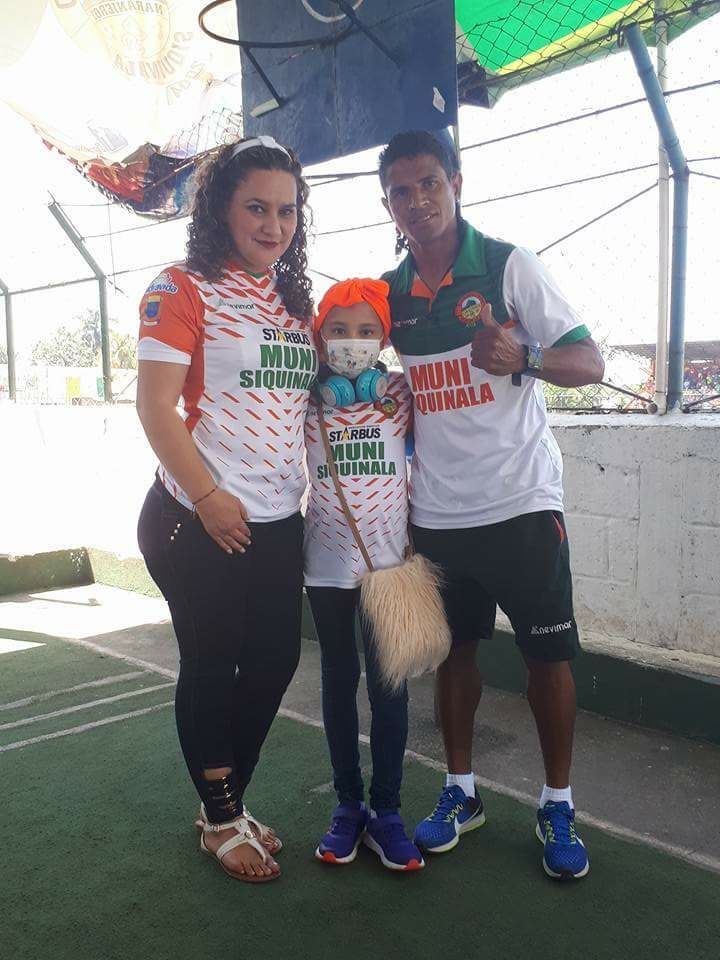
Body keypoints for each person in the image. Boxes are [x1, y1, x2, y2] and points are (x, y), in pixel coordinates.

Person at [378, 130, 605, 880]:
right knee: (455, 656)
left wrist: (526, 357)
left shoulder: (510, 266)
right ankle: (461, 792)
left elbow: (589, 361)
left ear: (457, 182)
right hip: (439, 512)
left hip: (522, 504)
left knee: (548, 657)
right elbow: (379, 379)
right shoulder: (390, 295)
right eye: (401, 190)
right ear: (388, 203)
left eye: (429, 183)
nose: (418, 200)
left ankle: (557, 803)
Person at [136, 136, 318, 884]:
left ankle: (226, 803)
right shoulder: (182, 288)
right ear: (220, 209)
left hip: (278, 518)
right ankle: (219, 819)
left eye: (287, 211)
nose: (274, 226)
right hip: (195, 515)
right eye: (257, 208)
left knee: (275, 662)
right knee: (211, 664)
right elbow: (155, 407)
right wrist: (210, 497)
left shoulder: (295, 302)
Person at [304, 278, 424, 872]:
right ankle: (348, 805)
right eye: (339, 329)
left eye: (366, 330)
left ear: (384, 338)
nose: (352, 341)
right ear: (320, 335)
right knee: (338, 677)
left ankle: (388, 811)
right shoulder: (305, 402)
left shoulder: (399, 393)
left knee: (388, 687)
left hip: (388, 570)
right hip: (325, 567)